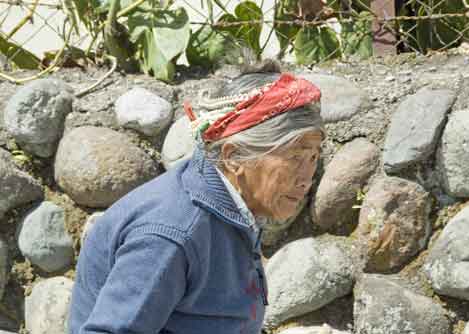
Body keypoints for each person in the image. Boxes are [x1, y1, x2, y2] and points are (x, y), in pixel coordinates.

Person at [67, 66, 325, 334]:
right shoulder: (172, 234)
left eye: (313, 158)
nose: (306, 177)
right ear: (234, 157)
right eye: (295, 157)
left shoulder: (229, 206)